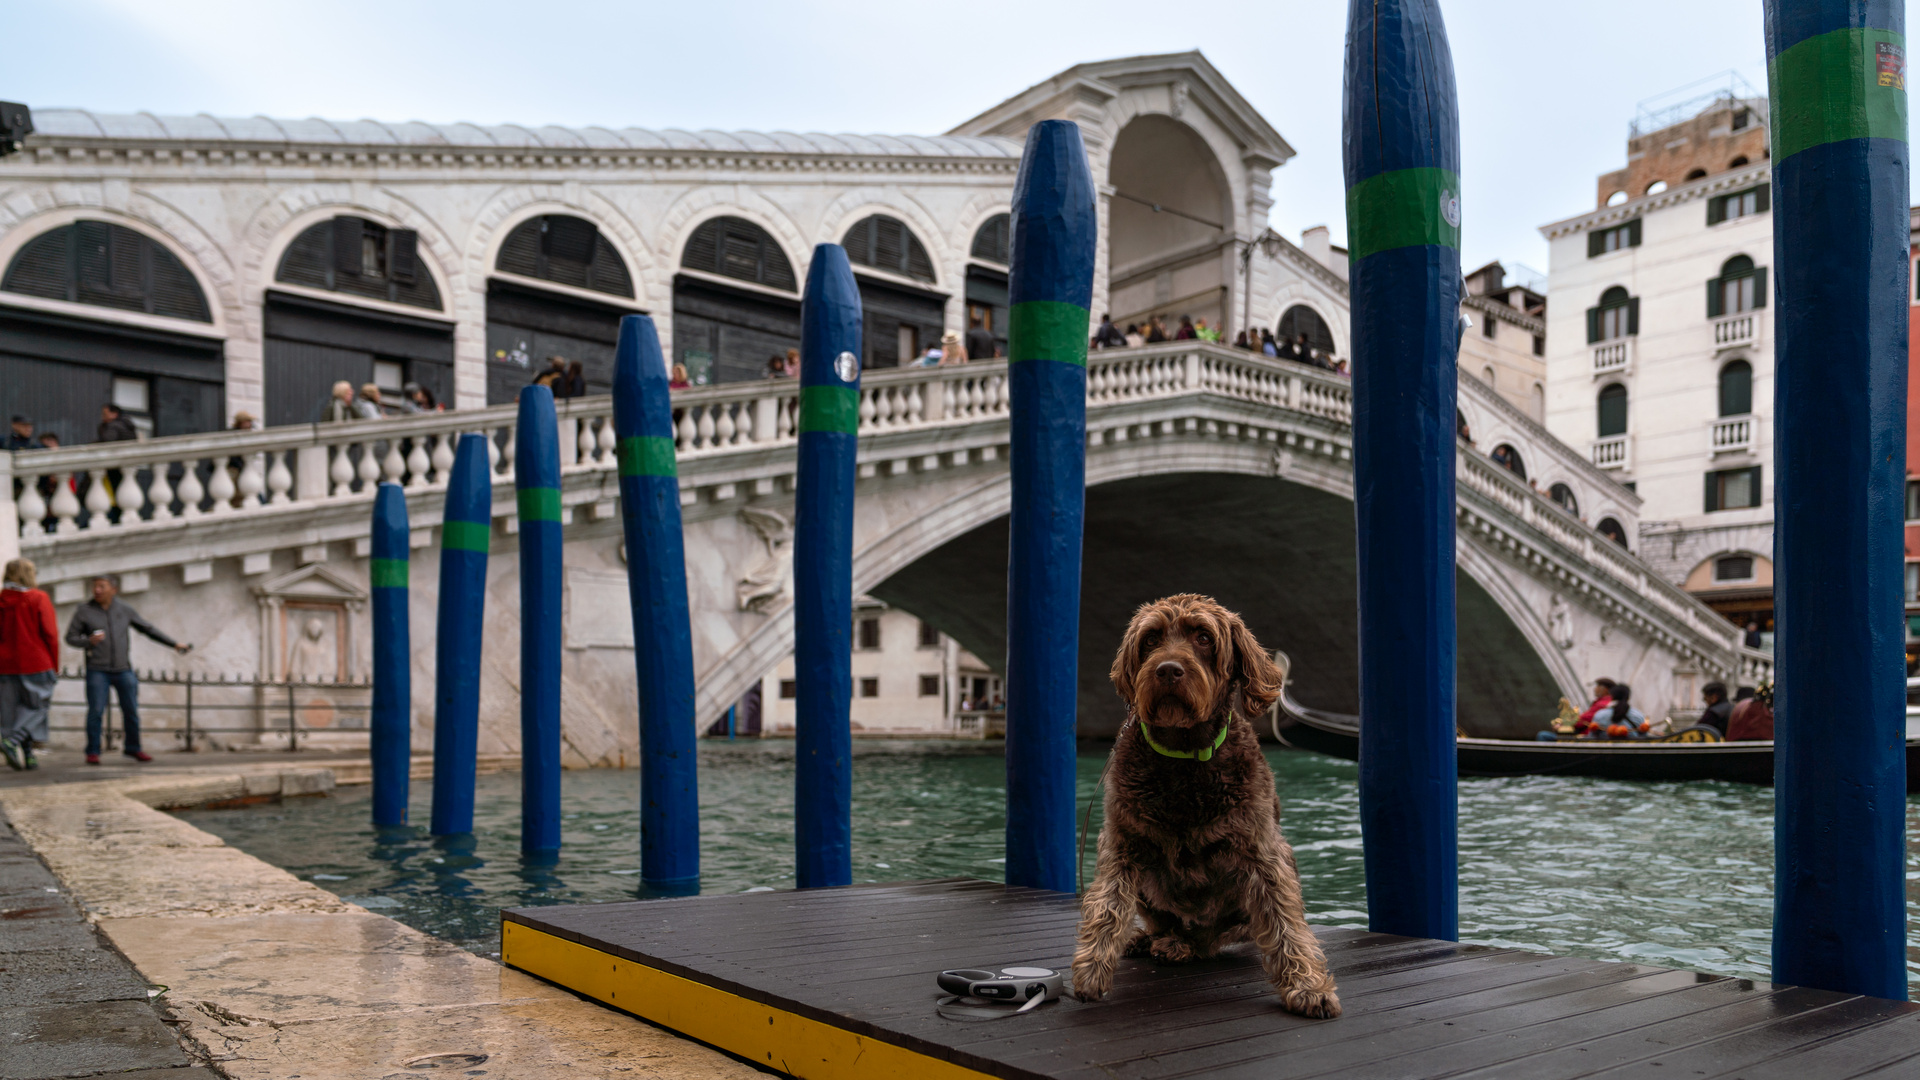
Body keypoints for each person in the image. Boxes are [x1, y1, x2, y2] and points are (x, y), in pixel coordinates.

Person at [64, 574, 191, 765]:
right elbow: (70, 637)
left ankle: (133, 748)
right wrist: (88, 641)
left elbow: (148, 629)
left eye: (102, 586)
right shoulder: (84, 611)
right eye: (95, 587)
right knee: (96, 711)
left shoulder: (124, 610)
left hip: (123, 669)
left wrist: (174, 644)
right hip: (97, 669)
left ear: (113, 589)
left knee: (131, 710)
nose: (97, 590)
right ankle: (93, 751)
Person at [0, 558, 57, 772]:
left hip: (5, 664)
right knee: (37, 707)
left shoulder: (1, 599)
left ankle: (28, 755)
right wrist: (54, 664)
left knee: (13, 712)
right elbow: (50, 634)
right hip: (36, 662)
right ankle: (12, 742)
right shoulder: (38, 598)